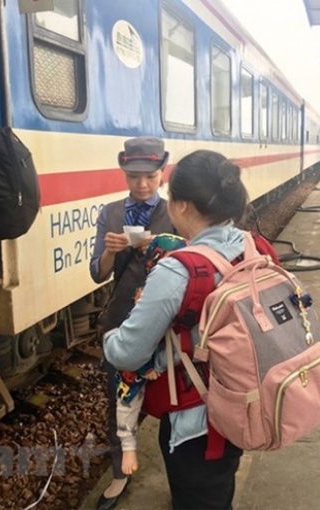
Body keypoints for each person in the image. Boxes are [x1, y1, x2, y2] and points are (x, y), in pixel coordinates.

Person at [104, 150, 247, 510]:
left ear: (181, 206)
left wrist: (109, 337)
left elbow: (127, 353)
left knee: (198, 496)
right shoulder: (249, 244)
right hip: (243, 399)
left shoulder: (176, 270)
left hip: (197, 420)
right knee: (219, 488)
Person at [89, 136, 175, 510]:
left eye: (150, 176)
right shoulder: (110, 212)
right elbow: (97, 274)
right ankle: (120, 473)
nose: (142, 185)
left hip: (166, 319)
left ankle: (179, 473)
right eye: (134, 176)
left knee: (173, 399)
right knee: (118, 396)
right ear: (124, 173)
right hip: (122, 317)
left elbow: (190, 261)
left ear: (162, 174)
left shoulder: (175, 213)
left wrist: (160, 245)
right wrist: (109, 251)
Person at [113, 233, 186, 477]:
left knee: (128, 396)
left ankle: (128, 444)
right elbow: (142, 337)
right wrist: (146, 367)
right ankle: (128, 446)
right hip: (149, 351)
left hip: (162, 349)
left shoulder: (166, 282)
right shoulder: (149, 292)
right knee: (128, 391)